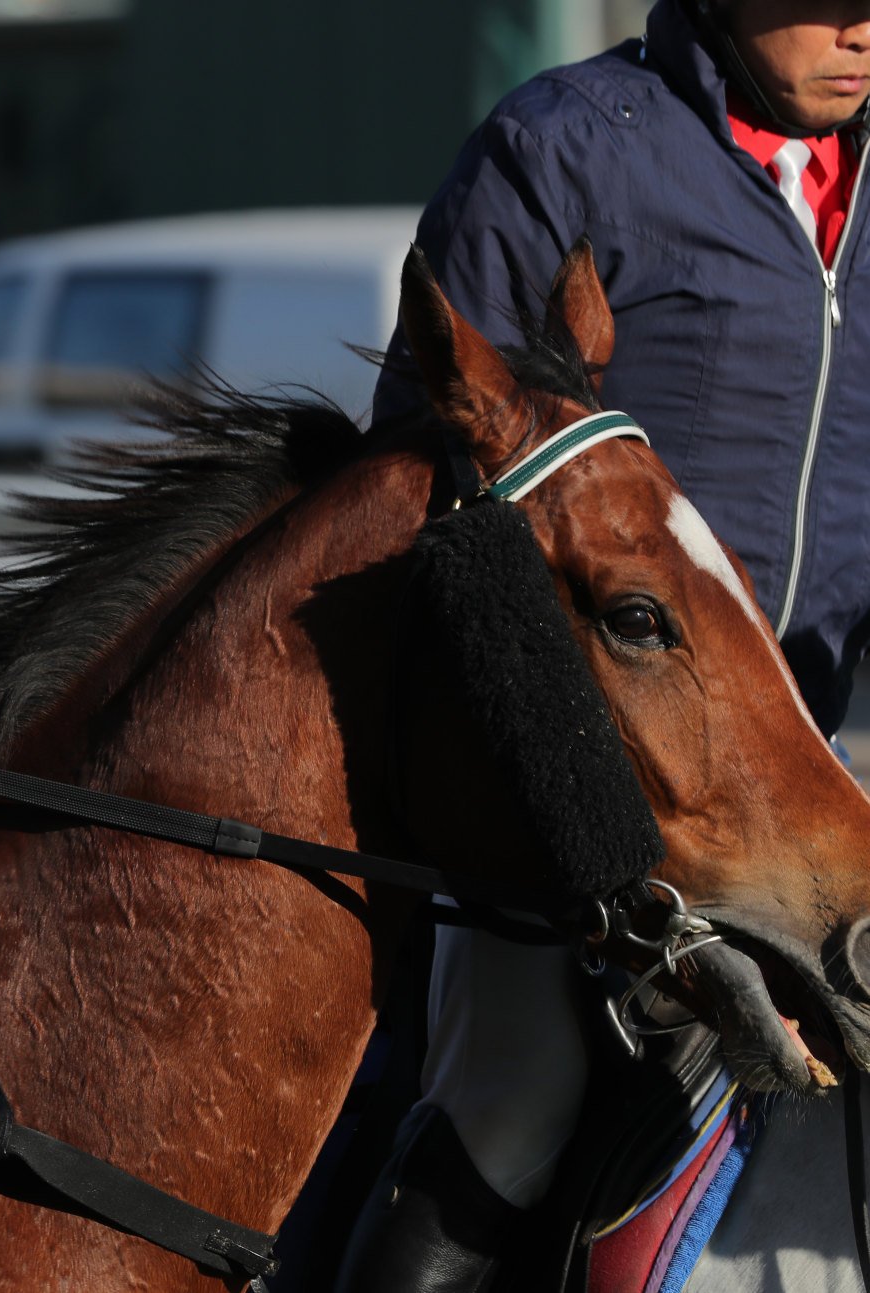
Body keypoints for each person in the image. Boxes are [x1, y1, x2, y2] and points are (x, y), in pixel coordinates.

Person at [338, 2, 870, 1288]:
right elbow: (423, 472)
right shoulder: (564, 145)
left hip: (822, 756)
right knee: (513, 1105)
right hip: (581, 775)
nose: (858, 28)